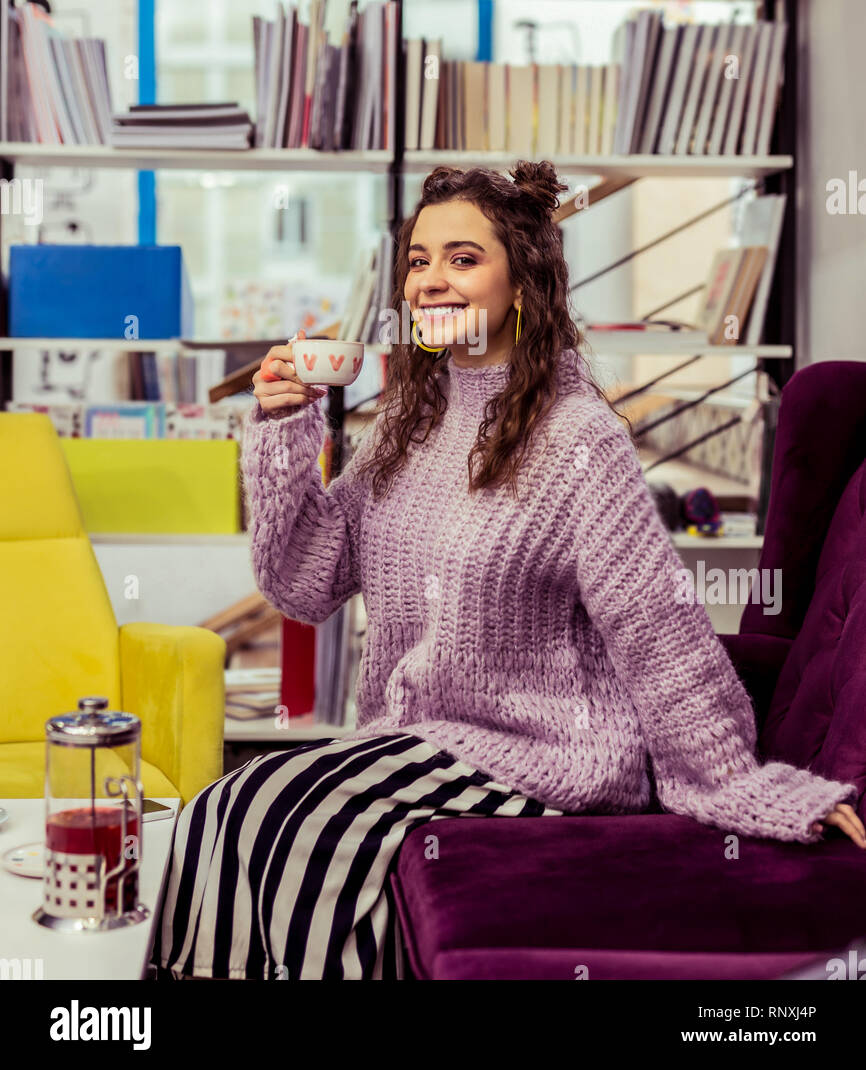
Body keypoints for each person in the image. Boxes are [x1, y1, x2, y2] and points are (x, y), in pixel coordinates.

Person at [151, 160, 864, 982]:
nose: (431, 281)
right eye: (419, 261)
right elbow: (304, 582)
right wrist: (282, 432)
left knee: (286, 814)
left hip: (547, 752)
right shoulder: (406, 430)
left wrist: (744, 786)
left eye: (463, 259)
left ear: (523, 280)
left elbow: (659, 632)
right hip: (420, 741)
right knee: (218, 810)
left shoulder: (575, 440)